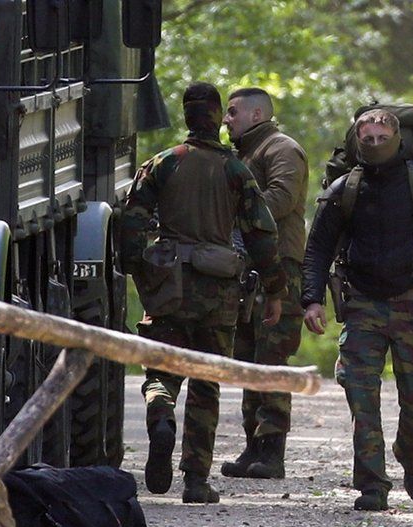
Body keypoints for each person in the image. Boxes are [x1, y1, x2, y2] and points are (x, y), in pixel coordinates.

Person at [121, 82, 288, 504]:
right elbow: (261, 233)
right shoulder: (235, 170)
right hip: (217, 294)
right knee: (206, 383)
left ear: (186, 117)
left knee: (161, 371)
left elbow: (131, 223)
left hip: (168, 288)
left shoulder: (161, 164)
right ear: (216, 118)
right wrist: (274, 288)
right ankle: (196, 480)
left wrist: (139, 270)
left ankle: (161, 416)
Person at [302, 109, 413, 511]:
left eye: (382, 137)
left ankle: (412, 456)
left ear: (397, 139)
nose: (375, 145)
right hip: (362, 307)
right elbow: (317, 250)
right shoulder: (345, 189)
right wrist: (311, 299)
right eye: (367, 139)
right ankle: (372, 484)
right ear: (357, 141)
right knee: (361, 397)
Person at [219, 87, 310, 479]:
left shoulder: (281, 149)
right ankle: (252, 446)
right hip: (248, 268)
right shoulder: (246, 154)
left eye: (233, 112)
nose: (226, 119)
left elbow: (281, 200)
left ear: (257, 115)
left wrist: (230, 214)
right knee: (247, 356)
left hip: (281, 268)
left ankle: (272, 452)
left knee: (271, 357)